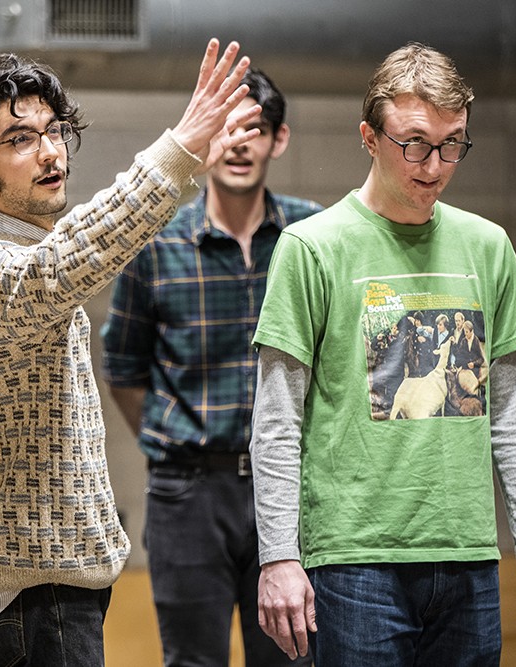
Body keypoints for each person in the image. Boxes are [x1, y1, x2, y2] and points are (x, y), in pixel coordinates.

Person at [0, 39, 261, 665]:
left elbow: (73, 252)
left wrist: (184, 167)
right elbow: (73, 257)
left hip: (48, 576)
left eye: (54, 133)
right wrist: (178, 153)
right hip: (29, 584)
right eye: (20, 140)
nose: (50, 152)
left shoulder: (14, 251)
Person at [250, 43, 516, 665]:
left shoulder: (489, 246)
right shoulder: (312, 248)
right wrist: (279, 556)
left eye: (454, 144)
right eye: (415, 143)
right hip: (354, 561)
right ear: (369, 136)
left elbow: (513, 415)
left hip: (470, 556)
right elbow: (277, 422)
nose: (435, 164)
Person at [100, 68, 321, 666]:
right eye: (228, 128)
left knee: (293, 658)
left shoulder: (315, 236)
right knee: (193, 661)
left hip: (296, 490)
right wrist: (172, 438)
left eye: (257, 129)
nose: (241, 143)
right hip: (187, 490)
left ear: (279, 140)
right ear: (205, 141)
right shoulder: (156, 243)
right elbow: (122, 366)